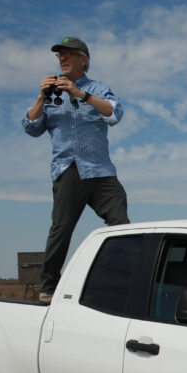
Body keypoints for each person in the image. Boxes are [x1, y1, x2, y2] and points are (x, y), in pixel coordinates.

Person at [22, 37, 129, 303]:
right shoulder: (50, 94)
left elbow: (115, 114)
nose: (63, 59)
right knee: (62, 228)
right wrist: (40, 97)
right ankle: (48, 287)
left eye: (69, 54)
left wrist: (81, 94)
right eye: (60, 56)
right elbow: (30, 127)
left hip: (100, 170)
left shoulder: (98, 88)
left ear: (84, 59)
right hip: (68, 170)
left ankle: (121, 280)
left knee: (121, 226)